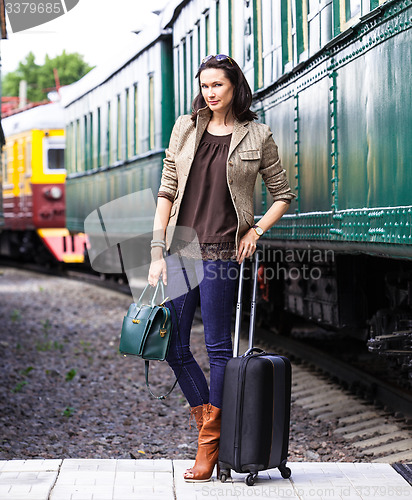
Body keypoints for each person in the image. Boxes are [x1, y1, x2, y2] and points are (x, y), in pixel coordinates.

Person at [148, 54, 296, 482]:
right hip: (181, 251)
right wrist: (157, 251)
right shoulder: (185, 127)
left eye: (218, 85)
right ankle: (209, 425)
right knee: (173, 346)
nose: (210, 92)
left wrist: (257, 231)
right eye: (205, 85)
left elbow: (284, 194)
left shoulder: (258, 135)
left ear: (235, 87)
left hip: (222, 255)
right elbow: (167, 190)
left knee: (217, 350)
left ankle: (209, 447)